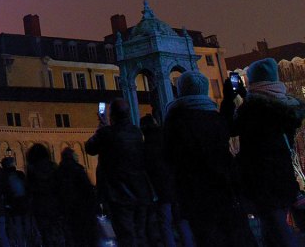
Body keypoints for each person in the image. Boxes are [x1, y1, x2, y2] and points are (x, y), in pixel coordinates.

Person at [223, 58, 305, 247]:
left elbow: (229, 128)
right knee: (277, 230)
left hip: (261, 179)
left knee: (276, 229)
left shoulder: (252, 111)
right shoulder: (285, 107)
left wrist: (230, 100)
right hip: (284, 176)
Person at [164, 70, 251, 247]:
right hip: (223, 187)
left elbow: (168, 156)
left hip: (195, 192)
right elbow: (231, 128)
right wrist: (231, 99)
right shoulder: (215, 118)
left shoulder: (175, 120)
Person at [85, 98, 152, 247]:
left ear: (112, 115)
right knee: (140, 234)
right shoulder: (136, 132)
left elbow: (89, 147)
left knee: (126, 236)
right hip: (140, 192)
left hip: (119, 195)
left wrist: (101, 129)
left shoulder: (106, 133)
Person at [138, 115, 176, 247]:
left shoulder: (145, 148)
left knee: (165, 224)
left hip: (160, 191)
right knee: (183, 222)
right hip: (176, 186)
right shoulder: (168, 139)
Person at [54, 148, 98, 247]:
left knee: (72, 238)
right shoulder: (77, 169)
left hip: (67, 211)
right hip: (82, 209)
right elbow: (88, 190)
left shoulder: (58, 172)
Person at [24, 144, 62, 247]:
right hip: (55, 205)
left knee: (45, 235)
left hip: (40, 207)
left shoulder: (32, 169)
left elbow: (29, 189)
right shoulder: (53, 167)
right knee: (58, 233)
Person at [0, 157, 29, 247]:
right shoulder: (20, 174)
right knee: (24, 227)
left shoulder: (3, 176)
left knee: (15, 228)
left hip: (12, 206)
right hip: (23, 205)